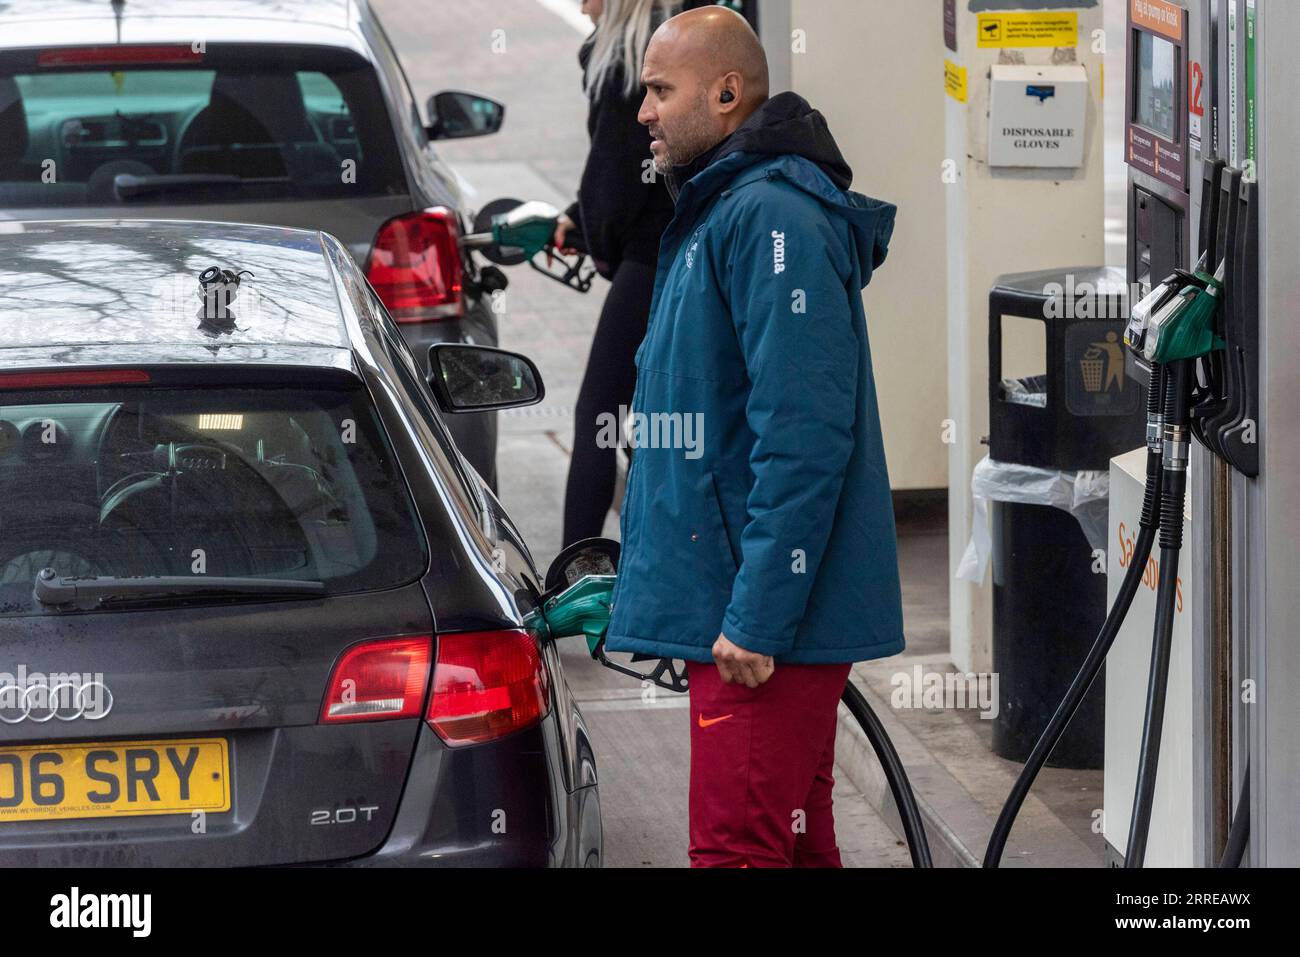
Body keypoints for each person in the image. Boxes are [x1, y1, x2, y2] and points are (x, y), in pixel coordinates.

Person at [603, 5, 906, 867]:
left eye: (662, 89)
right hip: (740, 613)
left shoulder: (773, 222)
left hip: (761, 631)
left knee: (737, 848)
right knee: (793, 844)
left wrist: (759, 617)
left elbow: (805, 439)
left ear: (727, 93)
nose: (644, 111)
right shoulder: (723, 208)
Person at [556, 0, 680, 546]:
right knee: (653, 414)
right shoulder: (672, 40)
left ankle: (573, 568)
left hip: (650, 256)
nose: (581, 4)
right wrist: (578, 218)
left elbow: (614, 176)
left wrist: (594, 233)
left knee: (598, 412)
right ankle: (657, 549)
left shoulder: (631, 60)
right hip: (676, 245)